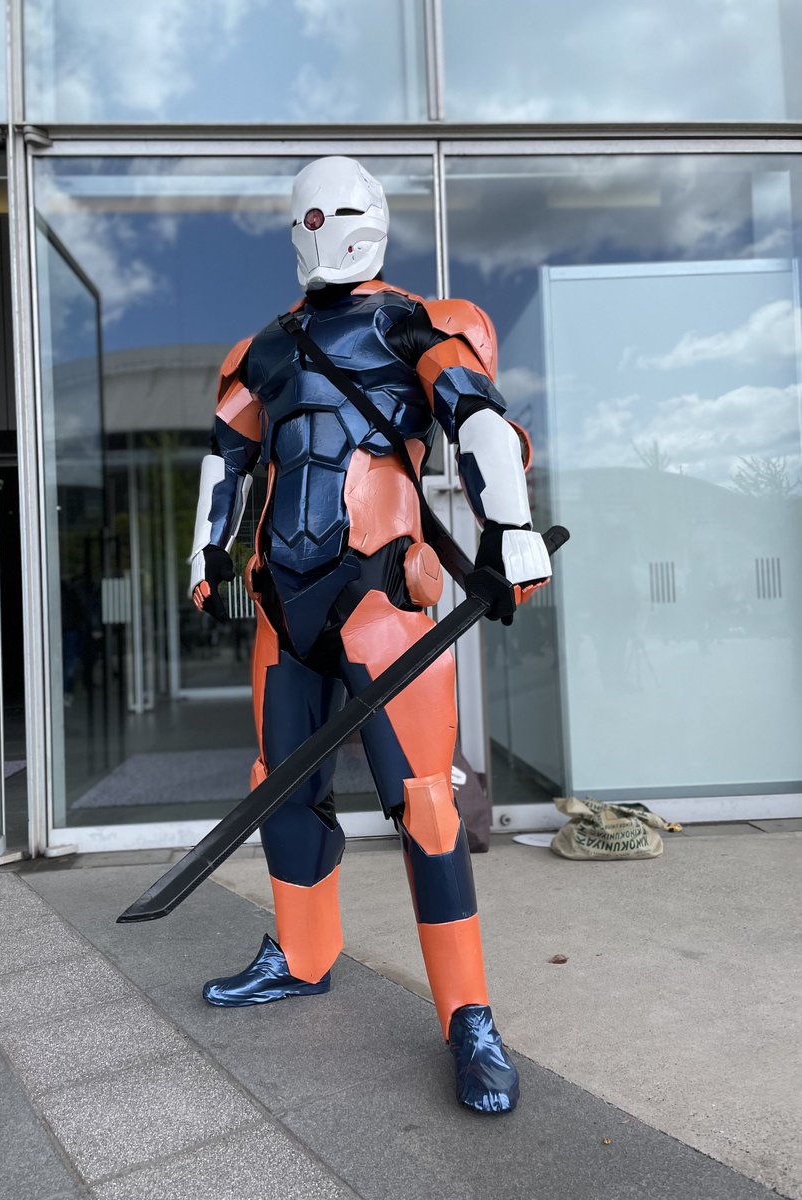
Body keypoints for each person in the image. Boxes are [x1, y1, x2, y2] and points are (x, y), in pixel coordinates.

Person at [188, 156, 551, 1114]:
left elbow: (480, 422)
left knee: (427, 805)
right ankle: (303, 956)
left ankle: (469, 1015)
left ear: (371, 220)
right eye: (307, 216)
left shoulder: (417, 323)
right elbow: (226, 461)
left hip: (382, 599)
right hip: (283, 607)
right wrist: (207, 552)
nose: (322, 229)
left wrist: (510, 531)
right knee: (280, 788)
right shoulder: (262, 349)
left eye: (337, 212)